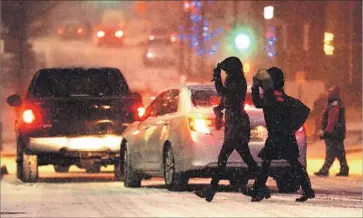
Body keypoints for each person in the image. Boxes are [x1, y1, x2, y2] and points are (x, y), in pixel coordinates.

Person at [195, 57, 259, 202]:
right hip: (234, 123)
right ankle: (261, 187)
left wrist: (217, 78)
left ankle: (211, 190)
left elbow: (226, 94)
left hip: (237, 124)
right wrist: (219, 108)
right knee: (246, 158)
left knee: (223, 158)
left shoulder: (238, 81)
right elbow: (224, 99)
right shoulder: (233, 80)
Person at [250, 67, 315, 202]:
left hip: (276, 137)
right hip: (286, 137)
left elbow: (257, 103)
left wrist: (255, 87)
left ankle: (258, 191)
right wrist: (292, 127)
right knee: (294, 164)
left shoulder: (271, 97)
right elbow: (305, 110)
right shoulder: (283, 98)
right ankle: (308, 190)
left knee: (266, 164)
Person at [314, 85, 349, 177]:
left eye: (329, 93)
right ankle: (344, 168)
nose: (328, 94)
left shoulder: (334, 104)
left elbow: (332, 120)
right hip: (338, 132)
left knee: (331, 152)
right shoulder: (337, 103)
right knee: (339, 151)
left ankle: (325, 170)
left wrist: (326, 131)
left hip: (333, 133)